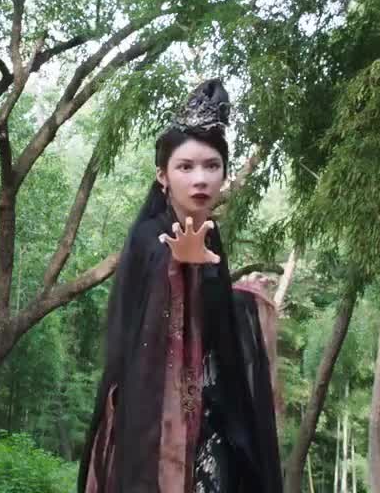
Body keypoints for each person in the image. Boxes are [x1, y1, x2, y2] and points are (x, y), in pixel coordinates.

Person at [79, 79, 282, 493]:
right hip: (153, 415)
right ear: (163, 176)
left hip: (211, 413)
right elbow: (145, 329)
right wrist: (177, 265)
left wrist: (244, 295)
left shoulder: (211, 234)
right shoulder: (148, 236)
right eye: (185, 167)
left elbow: (213, 322)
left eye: (211, 166)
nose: (200, 179)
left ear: (224, 173)